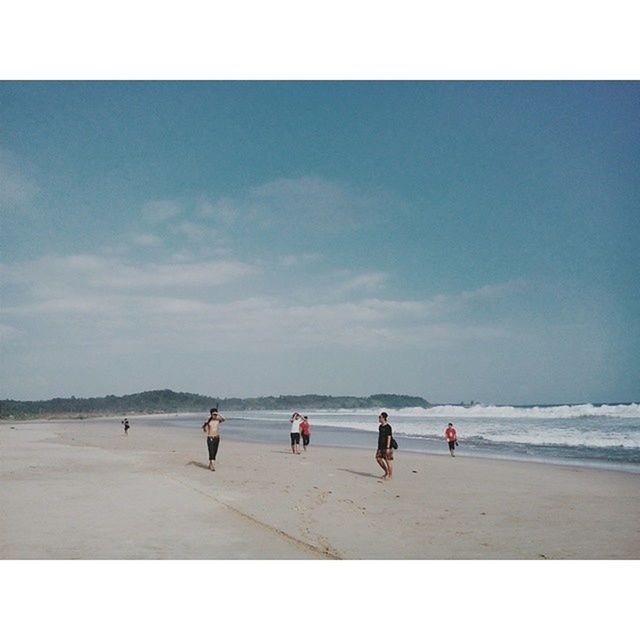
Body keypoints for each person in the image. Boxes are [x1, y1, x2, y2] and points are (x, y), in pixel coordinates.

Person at [375, 411, 393, 480]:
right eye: (379, 417)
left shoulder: (388, 427)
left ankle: (390, 475)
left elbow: (389, 437)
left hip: (387, 446)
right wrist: (378, 446)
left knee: (388, 460)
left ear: (384, 418)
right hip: (380, 446)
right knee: (378, 459)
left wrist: (388, 447)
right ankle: (386, 472)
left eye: (380, 417)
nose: (379, 419)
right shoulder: (380, 426)